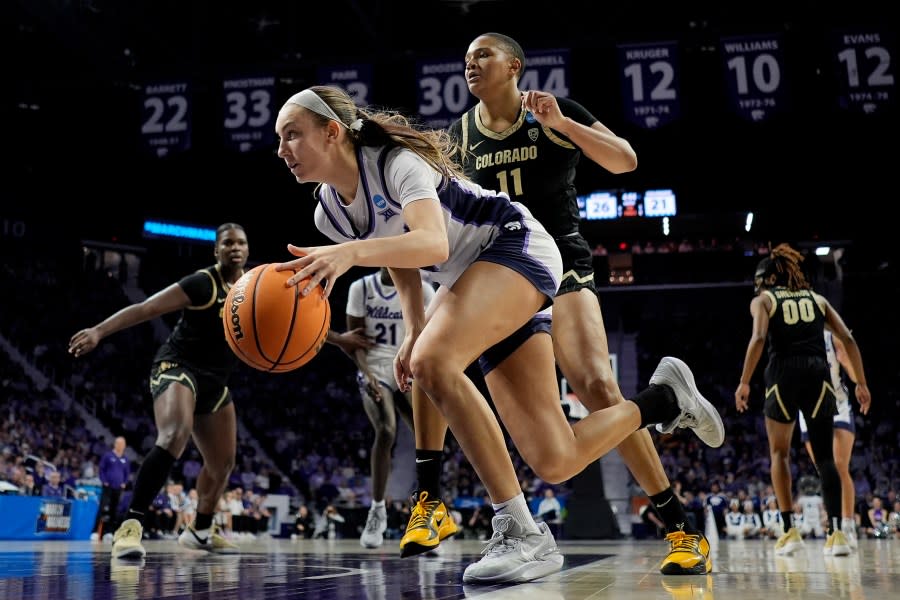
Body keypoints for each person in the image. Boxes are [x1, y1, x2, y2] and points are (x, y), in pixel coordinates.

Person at [272, 85, 723, 584]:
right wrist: (414, 324)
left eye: (292, 135)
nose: (281, 150)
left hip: (513, 245)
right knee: (556, 459)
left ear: (332, 132)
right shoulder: (328, 210)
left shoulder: (397, 162)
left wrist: (351, 256)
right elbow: (394, 252)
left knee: (433, 362)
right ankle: (663, 399)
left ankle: (515, 529)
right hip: (471, 280)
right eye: (279, 139)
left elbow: (430, 240)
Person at [432, 31, 713, 575]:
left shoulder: (552, 113)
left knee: (596, 385)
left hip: (559, 259)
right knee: (546, 445)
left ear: (514, 65)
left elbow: (625, 160)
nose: (471, 62)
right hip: (500, 274)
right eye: (465, 57)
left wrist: (562, 124)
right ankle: (502, 517)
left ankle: (680, 528)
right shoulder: (459, 138)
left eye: (482, 54)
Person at [69, 223, 250, 559]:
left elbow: (292, 321)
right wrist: (98, 331)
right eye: (227, 243)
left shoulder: (255, 285)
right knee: (174, 434)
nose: (235, 248)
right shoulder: (201, 283)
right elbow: (146, 308)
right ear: (216, 250)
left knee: (223, 464)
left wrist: (338, 339)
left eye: (241, 242)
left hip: (216, 381)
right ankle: (130, 526)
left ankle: (200, 530)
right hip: (178, 367)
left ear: (248, 249)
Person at [734, 243, 871, 558]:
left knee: (779, 454)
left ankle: (789, 532)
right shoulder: (818, 299)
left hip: (782, 375)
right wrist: (861, 383)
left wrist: (744, 382)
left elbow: (757, 339)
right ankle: (836, 534)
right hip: (818, 375)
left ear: (768, 279)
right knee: (826, 459)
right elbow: (848, 339)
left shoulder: (764, 300)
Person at [344, 267, 437, 548]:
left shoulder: (425, 289)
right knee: (386, 430)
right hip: (374, 368)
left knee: (429, 438)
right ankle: (376, 510)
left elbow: (431, 336)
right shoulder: (361, 288)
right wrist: (366, 373)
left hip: (409, 367)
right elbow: (354, 342)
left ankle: (426, 515)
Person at [798, 329, 866, 549]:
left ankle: (846, 525)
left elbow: (848, 361)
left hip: (837, 403)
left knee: (839, 466)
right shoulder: (792, 337)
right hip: (808, 406)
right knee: (823, 469)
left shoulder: (830, 335)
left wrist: (859, 382)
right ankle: (834, 527)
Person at [92, 436, 131, 540]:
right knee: (102, 508)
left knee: (114, 509)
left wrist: (124, 483)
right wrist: (104, 481)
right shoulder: (108, 456)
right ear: (115, 444)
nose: (121, 446)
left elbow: (127, 473)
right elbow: (101, 469)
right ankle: (95, 532)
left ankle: (109, 532)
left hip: (119, 488)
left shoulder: (125, 459)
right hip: (107, 487)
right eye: (119, 443)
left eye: (123, 444)